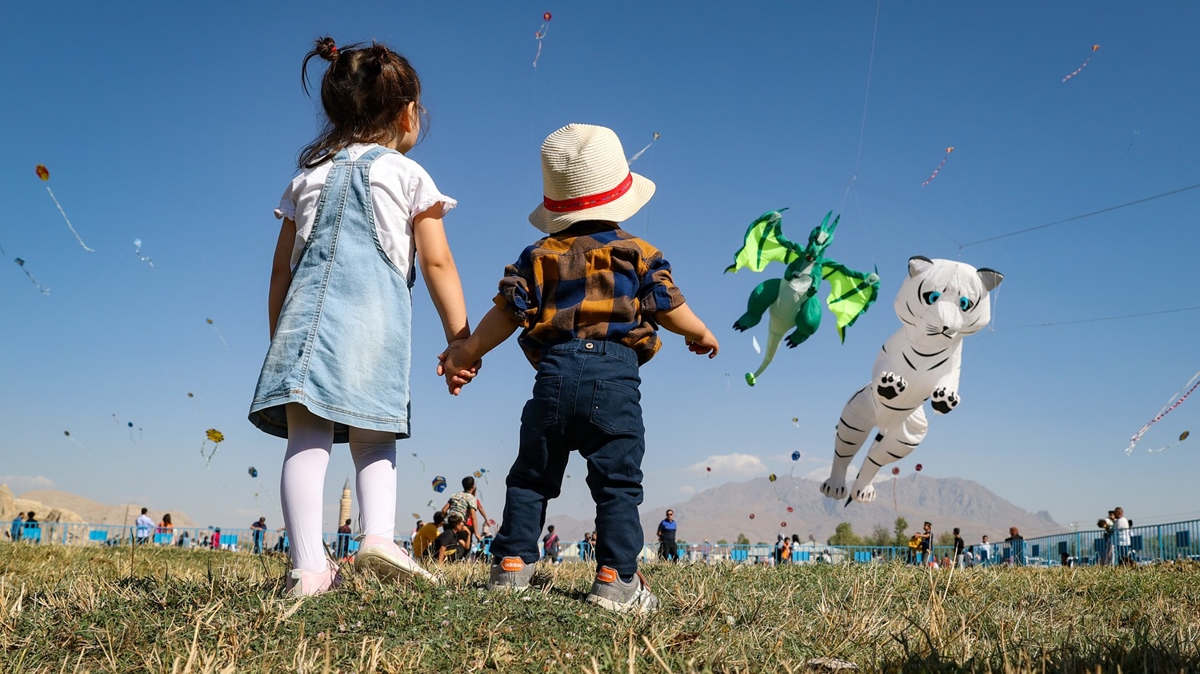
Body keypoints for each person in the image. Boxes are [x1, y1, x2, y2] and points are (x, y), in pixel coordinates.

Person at [442, 123, 719, 614]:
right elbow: (667, 304)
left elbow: (506, 313)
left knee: (531, 475)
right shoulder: (639, 253)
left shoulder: (537, 256)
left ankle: (511, 566)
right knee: (616, 483)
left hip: (552, 375)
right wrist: (699, 332)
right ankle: (616, 579)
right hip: (615, 379)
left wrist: (467, 352)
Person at [245, 36, 467, 597]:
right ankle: (378, 538)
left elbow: (279, 274)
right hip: (376, 326)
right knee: (375, 436)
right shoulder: (409, 177)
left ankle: (308, 567)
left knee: (307, 441)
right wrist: (460, 338)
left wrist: (282, 337)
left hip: (304, 327)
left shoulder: (305, 179)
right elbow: (437, 261)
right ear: (408, 112)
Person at [443, 476, 489, 544]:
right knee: (465, 545)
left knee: (448, 544)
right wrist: (477, 534)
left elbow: (444, 510)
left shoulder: (455, 495)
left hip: (447, 523)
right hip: (458, 525)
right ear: (473, 487)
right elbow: (473, 516)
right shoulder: (471, 498)